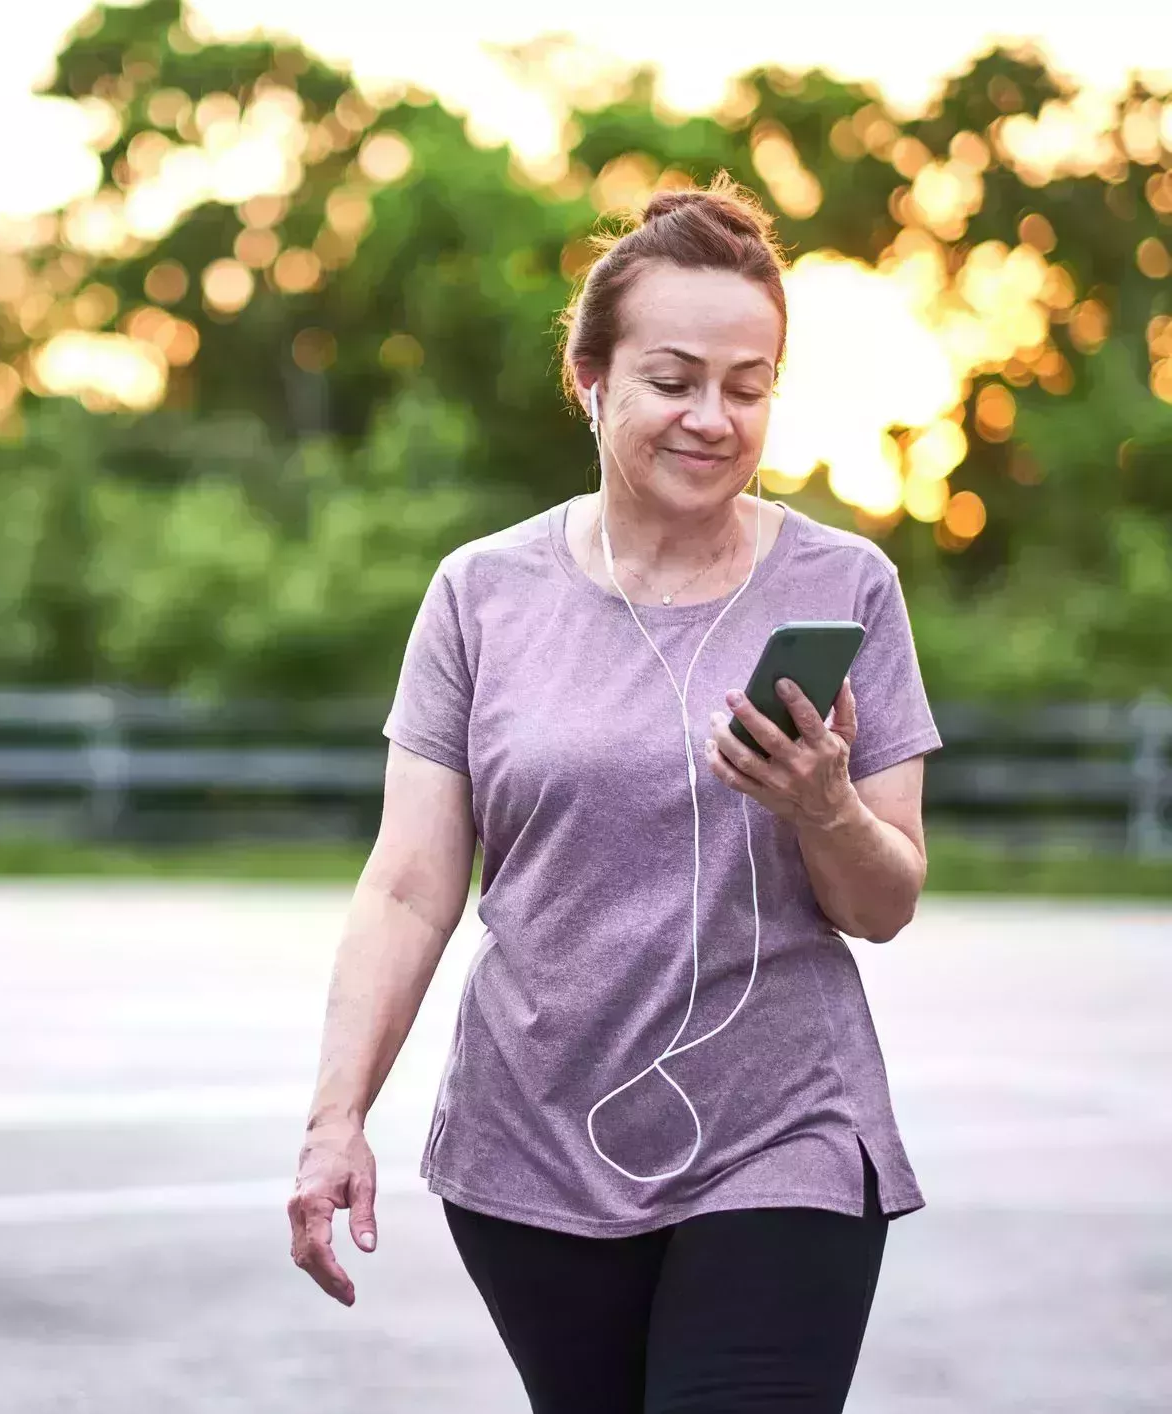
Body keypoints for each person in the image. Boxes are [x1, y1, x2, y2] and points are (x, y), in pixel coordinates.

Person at [287, 170, 943, 1414]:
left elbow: (886, 899)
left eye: (748, 388)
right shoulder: (480, 592)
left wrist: (822, 805)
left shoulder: (843, 585)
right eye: (673, 379)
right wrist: (336, 1118)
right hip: (536, 1139)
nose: (712, 417)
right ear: (589, 381)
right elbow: (411, 885)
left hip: (782, 1128)